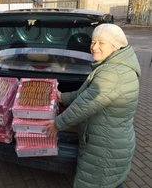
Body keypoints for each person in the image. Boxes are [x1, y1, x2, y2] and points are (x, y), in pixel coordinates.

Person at [44, 23, 141, 188]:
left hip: (106, 148)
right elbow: (85, 93)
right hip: (107, 142)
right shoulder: (109, 66)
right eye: (93, 42)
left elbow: (85, 104)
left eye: (101, 43)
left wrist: (57, 124)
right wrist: (62, 97)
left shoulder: (114, 73)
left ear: (115, 46)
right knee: (111, 183)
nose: (94, 47)